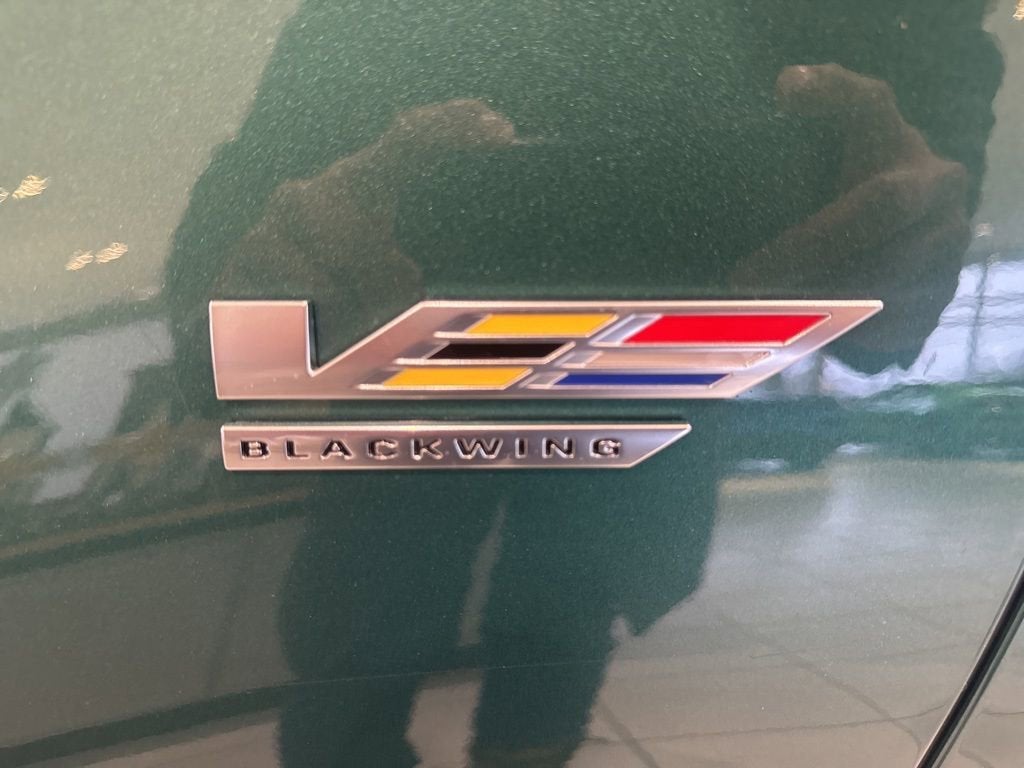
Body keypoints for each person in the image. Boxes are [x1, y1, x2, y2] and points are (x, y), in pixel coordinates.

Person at [164, 1, 1002, 764]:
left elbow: (920, 164)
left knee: (521, 631)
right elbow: (244, 218)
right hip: (437, 360)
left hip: (620, 364)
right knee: (391, 636)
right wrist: (247, 279)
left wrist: (912, 229)